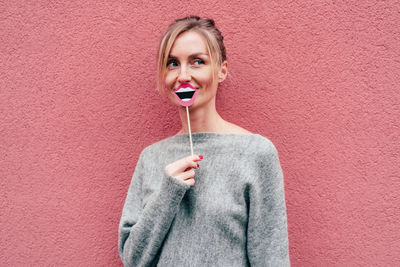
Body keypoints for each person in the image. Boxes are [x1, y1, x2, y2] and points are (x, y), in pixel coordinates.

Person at [118, 16, 290, 266]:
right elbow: (133, 259)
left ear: (221, 71)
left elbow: (271, 258)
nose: (183, 75)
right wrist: (167, 194)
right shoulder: (151, 157)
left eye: (198, 61)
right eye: (172, 63)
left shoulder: (256, 153)